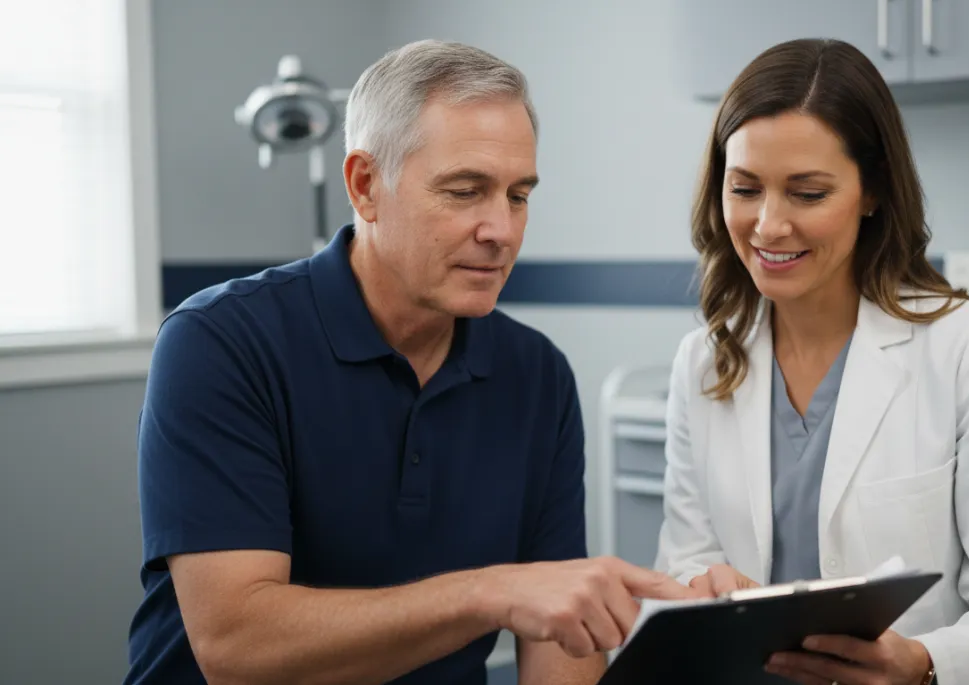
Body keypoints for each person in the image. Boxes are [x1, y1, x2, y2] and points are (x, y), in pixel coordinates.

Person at [124, 39, 697, 685]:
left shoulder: (536, 374)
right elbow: (236, 646)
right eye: (465, 191)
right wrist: (492, 592)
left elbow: (557, 635)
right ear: (366, 185)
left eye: (518, 195)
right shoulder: (221, 343)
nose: (502, 230)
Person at [655, 38, 969, 685]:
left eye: (807, 193)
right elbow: (687, 558)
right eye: (744, 188)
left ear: (873, 191)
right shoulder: (703, 362)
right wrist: (701, 588)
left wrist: (922, 663)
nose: (768, 225)